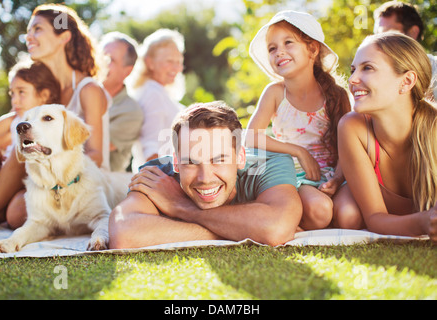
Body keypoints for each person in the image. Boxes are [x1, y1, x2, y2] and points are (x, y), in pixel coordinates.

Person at [108, 101, 302, 249]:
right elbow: (124, 234)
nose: (205, 178)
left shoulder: (271, 163)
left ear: (240, 157)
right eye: (191, 162)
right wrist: (245, 230)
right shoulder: (157, 175)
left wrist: (181, 207)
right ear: (176, 162)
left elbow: (276, 228)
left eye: (219, 160)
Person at [0, 4, 111, 228]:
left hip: (80, 181)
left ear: (64, 37)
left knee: (16, 210)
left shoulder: (88, 89)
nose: (29, 37)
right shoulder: (45, 90)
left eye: (37, 29)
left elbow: (96, 155)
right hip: (44, 173)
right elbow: (5, 127)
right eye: (29, 31)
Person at [245, 10, 352, 230]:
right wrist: (298, 151)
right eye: (272, 48)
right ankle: (287, 214)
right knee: (321, 211)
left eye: (288, 43)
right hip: (293, 176)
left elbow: (347, 146)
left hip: (334, 175)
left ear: (312, 49)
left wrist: (337, 178)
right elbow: (250, 137)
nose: (279, 52)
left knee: (350, 217)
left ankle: (296, 218)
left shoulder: (336, 95)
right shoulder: (275, 93)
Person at [337, 32, 436, 243]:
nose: (352, 79)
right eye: (353, 70)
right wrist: (422, 222)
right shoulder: (352, 127)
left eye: (368, 68)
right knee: (347, 214)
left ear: (406, 81)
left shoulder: (433, 130)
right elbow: (375, 219)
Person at [0, 59, 60, 224]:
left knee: (16, 213)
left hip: (27, 184)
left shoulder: (47, 121)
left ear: (44, 95)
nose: (15, 100)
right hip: (2, 184)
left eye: (22, 92)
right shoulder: (15, 117)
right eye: (12, 93)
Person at [130, 29, 185, 172]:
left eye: (179, 61)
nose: (177, 68)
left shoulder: (158, 92)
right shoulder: (153, 94)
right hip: (162, 179)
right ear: (150, 62)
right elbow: (151, 148)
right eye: (170, 61)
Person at [374, 1, 436, 100]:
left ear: (413, 32)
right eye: (377, 35)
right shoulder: (373, 72)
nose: (379, 41)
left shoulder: (434, 68)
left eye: (388, 34)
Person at [101, 32, 144, 172]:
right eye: (99, 56)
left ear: (127, 71)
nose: (101, 63)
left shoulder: (131, 111)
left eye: (110, 60)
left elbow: (95, 147)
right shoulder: (77, 93)